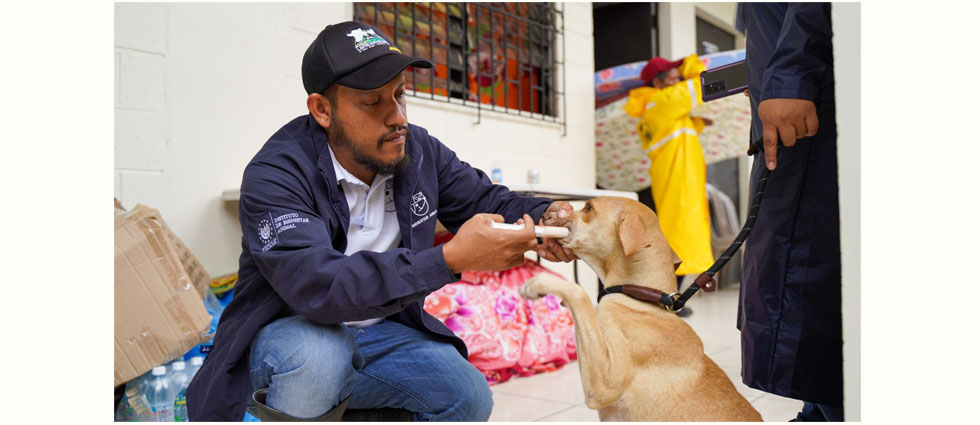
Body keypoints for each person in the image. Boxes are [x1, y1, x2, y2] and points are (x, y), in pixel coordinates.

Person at [185, 21, 577, 422]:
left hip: (380, 334)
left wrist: (545, 216)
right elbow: (318, 287)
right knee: (321, 356)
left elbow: (485, 199)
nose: (397, 117)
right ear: (322, 109)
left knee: (467, 394)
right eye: (373, 103)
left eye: (400, 95)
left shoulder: (418, 150)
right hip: (289, 337)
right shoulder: (277, 173)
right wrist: (446, 260)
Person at [735, 3, 843, 421]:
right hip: (786, 122)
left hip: (810, 112)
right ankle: (817, 409)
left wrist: (789, 72)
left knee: (812, 285)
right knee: (797, 286)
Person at [624, 54, 714, 315]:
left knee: (678, 236)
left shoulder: (655, 107)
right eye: (675, 79)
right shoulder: (662, 101)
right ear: (660, 83)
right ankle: (668, 297)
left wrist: (696, 122)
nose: (680, 82)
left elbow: (676, 132)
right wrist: (692, 65)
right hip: (680, 182)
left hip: (678, 180)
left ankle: (669, 296)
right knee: (680, 238)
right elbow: (702, 84)